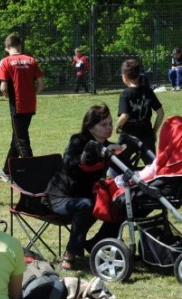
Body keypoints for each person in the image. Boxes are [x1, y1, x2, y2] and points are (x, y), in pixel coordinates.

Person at [45, 104, 124, 271]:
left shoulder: (109, 146)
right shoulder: (78, 141)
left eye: (110, 123)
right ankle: (70, 254)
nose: (109, 128)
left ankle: (97, 243)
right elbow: (69, 164)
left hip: (87, 195)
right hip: (61, 197)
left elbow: (121, 170)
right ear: (90, 126)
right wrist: (86, 157)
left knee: (121, 203)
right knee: (87, 205)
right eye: (103, 125)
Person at [0, 34, 44, 182]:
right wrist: (31, 94)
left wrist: (7, 95)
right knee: (17, 136)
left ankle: (33, 172)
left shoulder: (6, 61)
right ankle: (7, 170)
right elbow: (41, 84)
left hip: (17, 105)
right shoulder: (31, 60)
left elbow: (3, 87)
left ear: (7, 47)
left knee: (21, 139)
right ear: (20, 45)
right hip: (30, 104)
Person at [116, 58, 164, 163]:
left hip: (128, 136)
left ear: (124, 77)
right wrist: (154, 131)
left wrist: (117, 126)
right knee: (151, 166)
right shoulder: (148, 91)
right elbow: (160, 113)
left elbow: (124, 116)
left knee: (116, 166)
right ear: (139, 75)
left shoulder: (125, 94)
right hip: (146, 134)